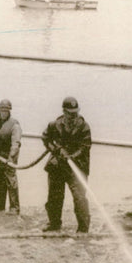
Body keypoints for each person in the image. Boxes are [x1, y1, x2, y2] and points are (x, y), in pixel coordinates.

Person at [41, 96, 92, 233]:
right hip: (57, 165)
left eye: (75, 112)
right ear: (64, 112)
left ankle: (83, 228)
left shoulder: (84, 127)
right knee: (54, 196)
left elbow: (85, 147)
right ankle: (54, 223)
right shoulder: (54, 125)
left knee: (80, 197)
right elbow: (45, 138)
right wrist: (55, 150)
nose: (73, 116)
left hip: (77, 167)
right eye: (70, 113)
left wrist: (71, 156)